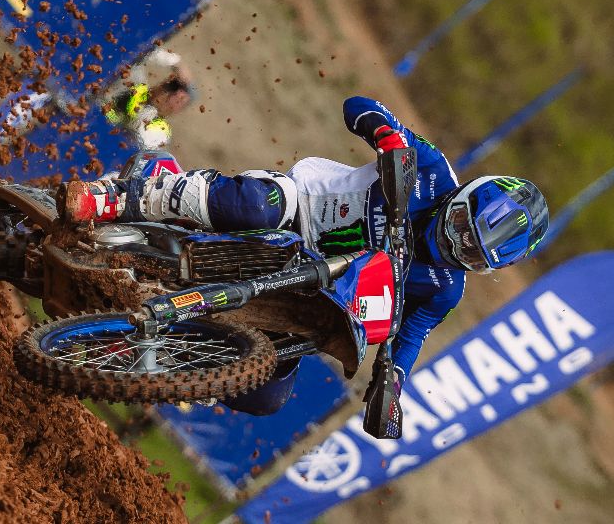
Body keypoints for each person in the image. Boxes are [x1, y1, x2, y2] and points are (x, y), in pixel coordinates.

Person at [58, 96, 549, 410]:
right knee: (254, 204)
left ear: (487, 269)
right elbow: (360, 106)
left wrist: (393, 383)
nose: (455, 244)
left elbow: (411, 334)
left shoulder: (444, 289)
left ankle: (150, 356)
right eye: (462, 227)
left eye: (472, 254)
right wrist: (386, 137)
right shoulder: (431, 171)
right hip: (298, 209)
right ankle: (128, 194)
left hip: (313, 292)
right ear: (462, 198)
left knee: (266, 394)